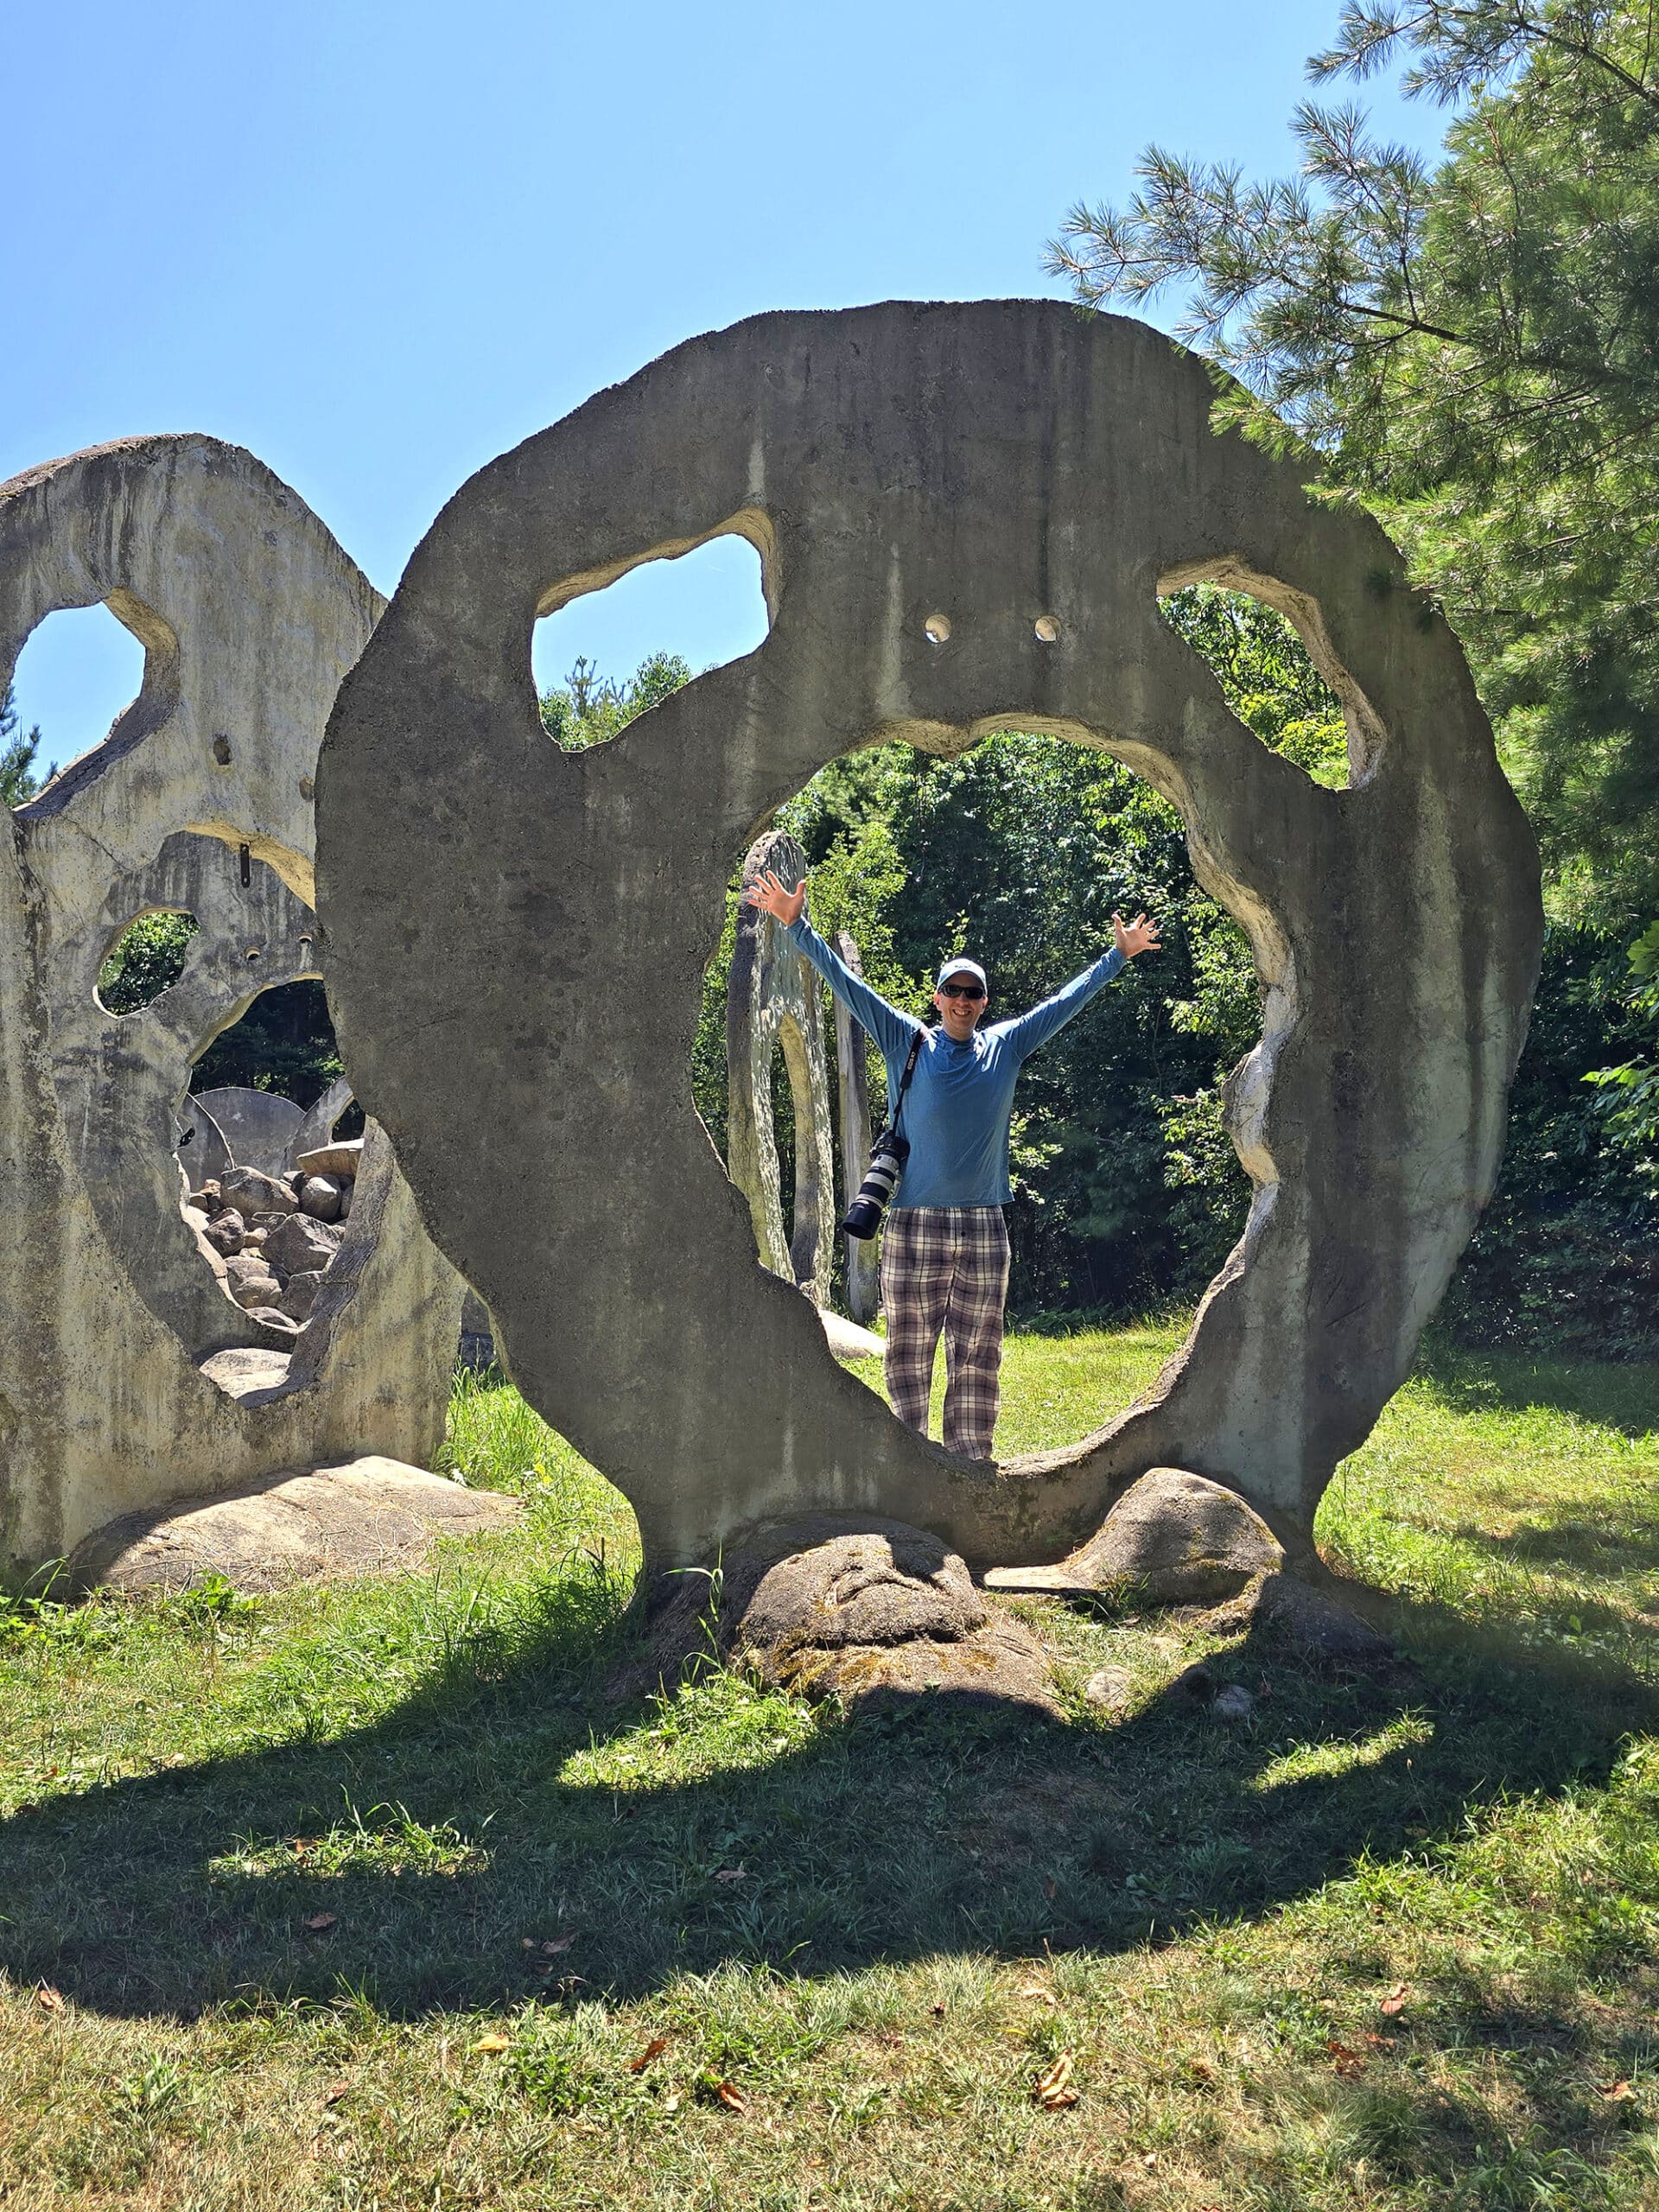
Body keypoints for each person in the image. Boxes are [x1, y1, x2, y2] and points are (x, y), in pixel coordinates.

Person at [747, 868, 1161, 1459]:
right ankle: (909, 1466)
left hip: (985, 1225)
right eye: (954, 992)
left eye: (973, 993)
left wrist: (1116, 958)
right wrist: (797, 928)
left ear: (984, 1001)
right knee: (908, 1354)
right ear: (938, 998)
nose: (963, 1002)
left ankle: (969, 1466)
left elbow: (1063, 1003)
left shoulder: (1007, 1046)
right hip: (915, 1223)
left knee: (977, 1355)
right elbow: (846, 985)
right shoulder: (905, 1040)